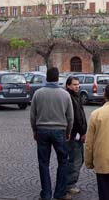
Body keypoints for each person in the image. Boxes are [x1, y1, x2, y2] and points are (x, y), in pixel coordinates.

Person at [30, 67, 74, 200]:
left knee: (43, 163)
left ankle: (46, 194)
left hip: (42, 130)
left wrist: (35, 130)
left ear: (46, 77)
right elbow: (70, 117)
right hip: (60, 131)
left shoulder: (38, 93)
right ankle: (60, 193)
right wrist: (68, 132)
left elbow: (33, 115)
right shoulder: (65, 94)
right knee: (63, 162)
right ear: (58, 77)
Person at [65, 76, 87, 195]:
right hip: (74, 135)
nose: (77, 86)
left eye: (78, 84)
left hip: (77, 134)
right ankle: (69, 185)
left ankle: (68, 182)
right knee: (75, 160)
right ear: (68, 85)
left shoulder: (75, 96)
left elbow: (80, 115)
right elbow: (75, 118)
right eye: (74, 84)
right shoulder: (69, 97)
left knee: (77, 159)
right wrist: (82, 132)